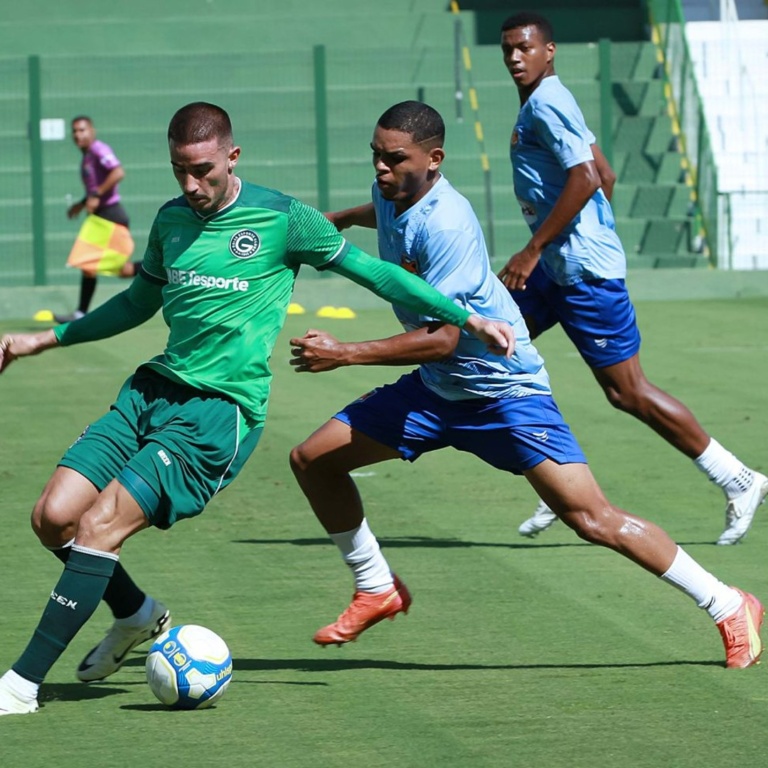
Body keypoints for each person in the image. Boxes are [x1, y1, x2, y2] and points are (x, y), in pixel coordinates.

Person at [0, 102, 514, 717]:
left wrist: (466, 318)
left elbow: (376, 273)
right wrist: (44, 339)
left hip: (217, 414)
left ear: (232, 156)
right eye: (179, 170)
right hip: (151, 392)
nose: (192, 184)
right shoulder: (170, 220)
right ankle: (135, 613)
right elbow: (137, 303)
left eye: (203, 169)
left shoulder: (283, 218)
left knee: (99, 527)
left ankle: (21, 685)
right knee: (52, 518)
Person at [288, 100, 763, 668]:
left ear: (434, 160)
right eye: (376, 156)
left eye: (395, 159)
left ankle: (728, 603)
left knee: (592, 518)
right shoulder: (394, 191)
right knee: (313, 460)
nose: (381, 168)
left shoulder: (447, 224)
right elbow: (385, 210)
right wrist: (342, 218)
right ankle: (376, 586)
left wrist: (345, 353)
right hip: (439, 390)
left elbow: (445, 338)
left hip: (504, 394)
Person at [496, 12, 767, 544]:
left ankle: (738, 478)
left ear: (550, 50)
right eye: (507, 49)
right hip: (561, 268)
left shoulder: (548, 103)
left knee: (628, 391)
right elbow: (607, 174)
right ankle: (559, 478)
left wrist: (536, 248)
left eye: (524, 47)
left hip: (579, 273)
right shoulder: (548, 100)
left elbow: (586, 177)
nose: (514, 57)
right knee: (494, 349)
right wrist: (581, 238)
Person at [55, 116, 140, 324]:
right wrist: (81, 203)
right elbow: (95, 189)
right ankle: (80, 313)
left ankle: (165, 268)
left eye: (82, 130)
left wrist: (95, 195)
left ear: (92, 131)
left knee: (118, 269)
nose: (78, 135)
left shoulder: (99, 150)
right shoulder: (87, 157)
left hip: (111, 217)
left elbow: (118, 172)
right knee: (95, 267)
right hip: (101, 217)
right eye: (74, 131)